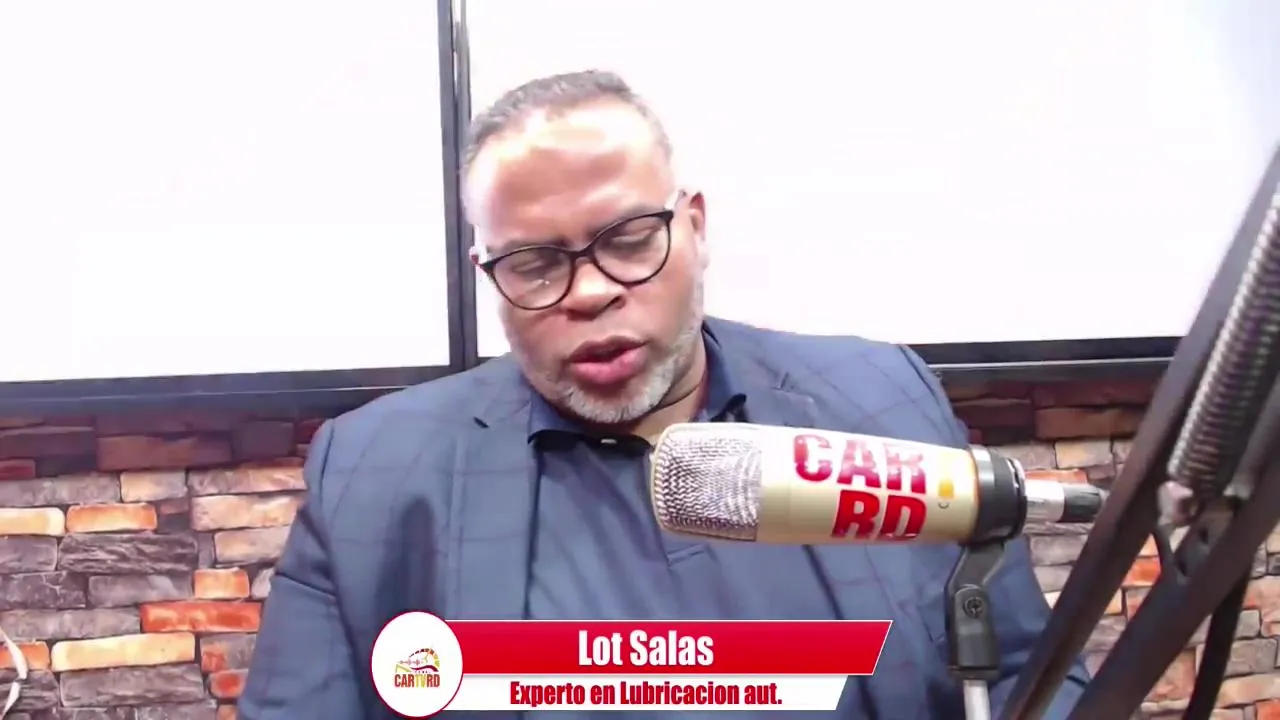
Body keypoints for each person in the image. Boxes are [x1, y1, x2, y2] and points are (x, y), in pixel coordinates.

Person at [238, 70, 1090, 719]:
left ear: (696, 226)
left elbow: (1034, 680)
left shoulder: (883, 402)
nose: (589, 292)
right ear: (487, 275)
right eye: (534, 262)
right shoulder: (376, 477)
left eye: (627, 239)